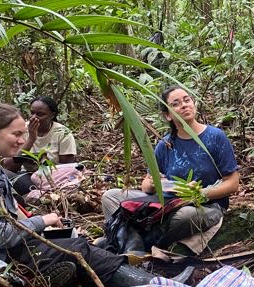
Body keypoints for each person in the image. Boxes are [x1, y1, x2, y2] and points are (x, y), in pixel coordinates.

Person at [0, 103, 179, 287]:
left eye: (23, 134)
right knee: (79, 249)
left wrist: (41, 225)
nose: (21, 140)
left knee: (79, 246)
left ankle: (67, 275)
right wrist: (42, 221)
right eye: (16, 134)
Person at [101, 86, 240, 253]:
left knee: (185, 215)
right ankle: (131, 244)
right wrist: (150, 184)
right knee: (110, 197)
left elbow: (232, 183)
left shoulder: (215, 137)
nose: (184, 105)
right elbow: (147, 183)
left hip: (206, 206)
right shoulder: (165, 144)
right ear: (168, 115)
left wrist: (201, 193)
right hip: (165, 204)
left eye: (187, 100)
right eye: (176, 103)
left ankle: (133, 244)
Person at [23, 96, 77, 164]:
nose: (34, 117)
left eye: (40, 114)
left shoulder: (63, 133)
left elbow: (67, 166)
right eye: (32, 113)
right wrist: (31, 138)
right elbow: (12, 164)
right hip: (23, 173)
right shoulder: (22, 129)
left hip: (54, 173)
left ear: (52, 115)